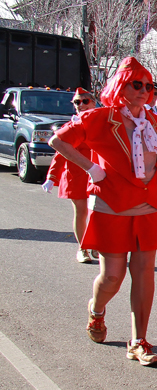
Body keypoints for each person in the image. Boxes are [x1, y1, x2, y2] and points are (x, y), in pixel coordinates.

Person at [48, 57, 157, 365]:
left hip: (149, 205)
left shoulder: (154, 121)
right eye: (137, 84)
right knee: (112, 277)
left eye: (149, 86)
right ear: (121, 86)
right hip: (111, 204)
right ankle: (96, 311)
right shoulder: (100, 117)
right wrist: (91, 168)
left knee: (144, 273)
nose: (144, 91)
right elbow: (58, 141)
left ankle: (139, 340)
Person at [42, 87, 98, 263]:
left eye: (85, 101)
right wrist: (52, 177)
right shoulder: (71, 126)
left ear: (94, 102)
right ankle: (83, 248)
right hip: (76, 176)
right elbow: (60, 152)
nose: (80, 105)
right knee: (81, 211)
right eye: (77, 102)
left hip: (98, 175)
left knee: (98, 212)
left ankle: (96, 245)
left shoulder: (102, 124)